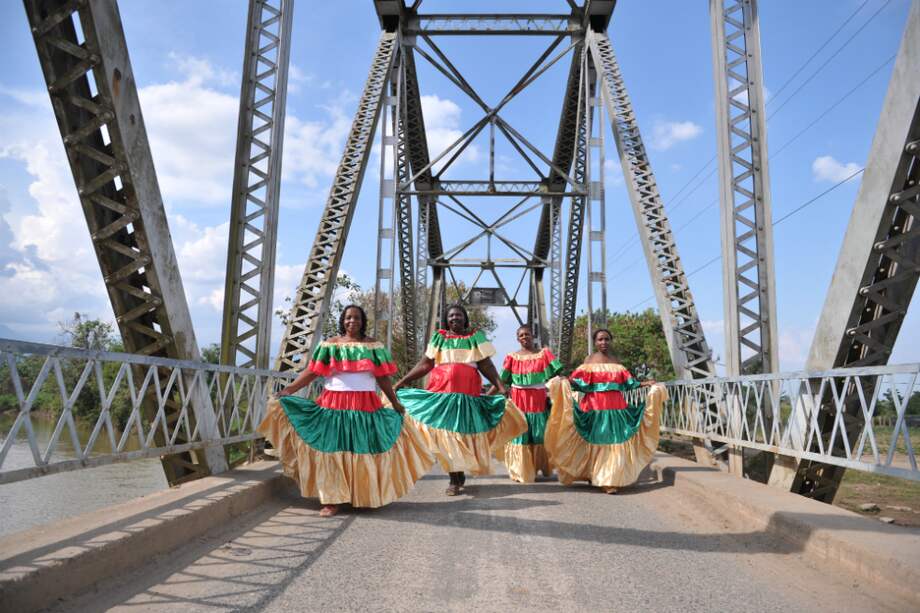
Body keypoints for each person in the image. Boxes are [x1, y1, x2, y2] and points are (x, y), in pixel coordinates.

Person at [258, 305, 433, 517]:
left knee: (362, 449)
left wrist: (394, 402)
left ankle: (361, 495)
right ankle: (332, 500)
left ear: (363, 321)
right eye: (348, 317)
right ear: (343, 320)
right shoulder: (330, 345)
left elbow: (382, 378)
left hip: (365, 406)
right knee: (332, 450)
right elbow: (313, 371)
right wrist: (290, 389)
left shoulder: (373, 346)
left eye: (357, 317)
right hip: (333, 406)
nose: (352, 321)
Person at [394, 304, 527, 496]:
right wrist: (402, 382)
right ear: (446, 320)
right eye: (451, 316)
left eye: (458, 315)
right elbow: (424, 365)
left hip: (466, 397)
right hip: (442, 396)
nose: (455, 318)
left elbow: (486, 366)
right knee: (447, 437)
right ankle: (453, 479)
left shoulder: (474, 338)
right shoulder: (439, 338)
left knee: (461, 436)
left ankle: (459, 473)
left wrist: (500, 386)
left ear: (465, 318)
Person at [545, 328, 667, 494]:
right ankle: (593, 473)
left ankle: (608, 480)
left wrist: (646, 383)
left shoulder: (616, 361)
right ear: (595, 342)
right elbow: (578, 382)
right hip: (594, 407)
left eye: (607, 339)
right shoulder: (589, 360)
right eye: (600, 339)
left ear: (611, 341)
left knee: (613, 440)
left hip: (616, 407)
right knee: (596, 440)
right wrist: (566, 381)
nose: (604, 342)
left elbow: (628, 383)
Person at [487, 325, 562, 483]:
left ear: (532, 335)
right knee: (520, 433)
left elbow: (557, 374)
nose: (524, 337)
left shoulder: (544, 354)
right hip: (519, 399)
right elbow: (502, 380)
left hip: (538, 400)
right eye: (521, 335)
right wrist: (487, 396)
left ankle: (537, 466)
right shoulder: (512, 357)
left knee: (539, 433)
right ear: (517, 338)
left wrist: (568, 385)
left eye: (527, 334)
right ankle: (521, 470)